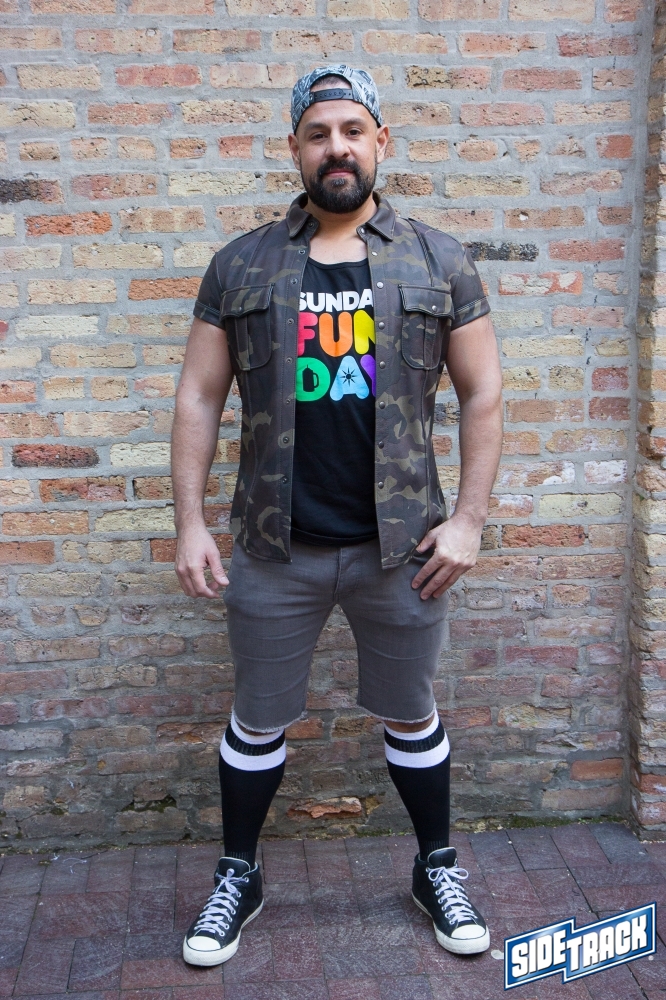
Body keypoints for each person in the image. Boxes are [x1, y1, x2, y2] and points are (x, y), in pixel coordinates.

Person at [171, 65, 503, 968]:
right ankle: (239, 875)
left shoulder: (437, 260)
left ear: (380, 142)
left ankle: (436, 867)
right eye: (319, 134)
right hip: (275, 544)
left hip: (404, 548)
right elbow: (199, 396)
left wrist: (469, 521)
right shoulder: (242, 263)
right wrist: (191, 524)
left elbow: (483, 394)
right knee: (256, 719)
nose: (337, 148)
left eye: (353, 131)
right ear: (296, 149)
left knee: (412, 714)